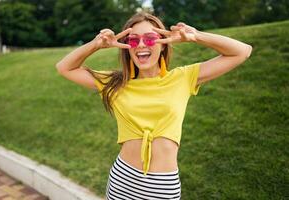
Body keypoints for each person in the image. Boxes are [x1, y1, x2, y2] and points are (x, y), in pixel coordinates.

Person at [56, 11, 252, 200]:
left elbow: (242, 52)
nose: (141, 45)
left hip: (162, 186)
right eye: (133, 40)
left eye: (150, 38)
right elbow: (64, 67)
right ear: (127, 47)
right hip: (123, 179)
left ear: (163, 45)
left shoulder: (183, 77)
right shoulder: (116, 82)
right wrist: (95, 45)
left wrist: (196, 36)